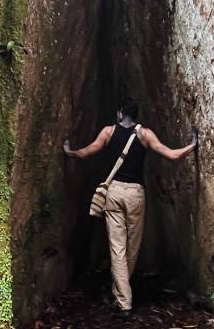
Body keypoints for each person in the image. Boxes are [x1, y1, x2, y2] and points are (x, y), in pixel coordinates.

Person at [63, 98, 198, 318]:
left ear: (119, 113)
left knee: (117, 248)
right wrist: (192, 144)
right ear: (136, 116)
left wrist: (70, 151)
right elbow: (172, 155)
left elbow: (87, 151)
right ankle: (123, 296)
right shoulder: (145, 134)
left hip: (114, 192)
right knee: (133, 246)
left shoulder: (108, 132)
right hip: (135, 195)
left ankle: (122, 298)